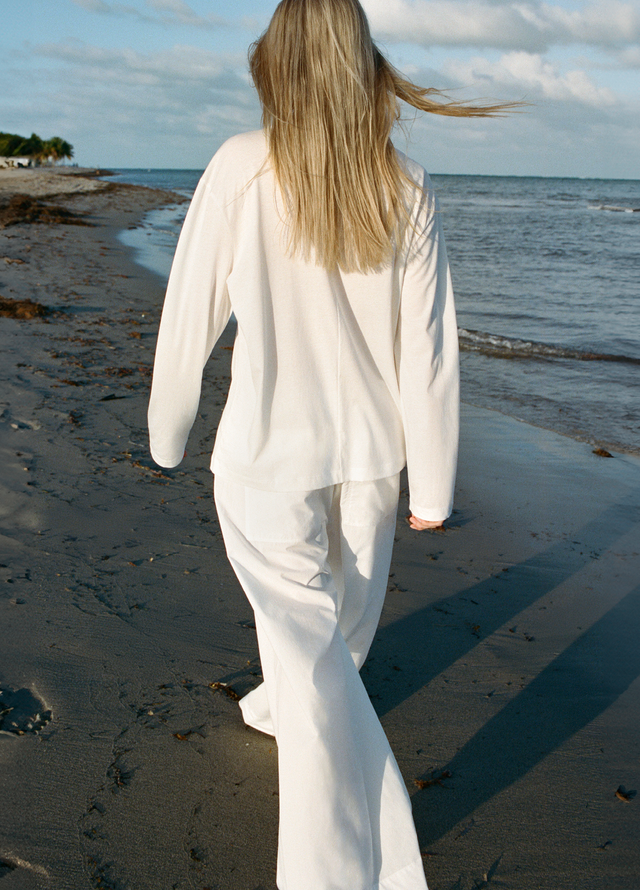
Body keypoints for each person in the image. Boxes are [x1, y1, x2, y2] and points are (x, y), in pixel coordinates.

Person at [148, 1, 515, 886]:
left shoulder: (241, 164)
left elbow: (189, 312)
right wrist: (432, 485)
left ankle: (336, 869)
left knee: (316, 645)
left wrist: (168, 432)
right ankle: (282, 708)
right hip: (370, 459)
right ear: (364, 63)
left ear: (274, 63)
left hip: (267, 453)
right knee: (337, 632)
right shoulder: (405, 182)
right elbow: (427, 351)